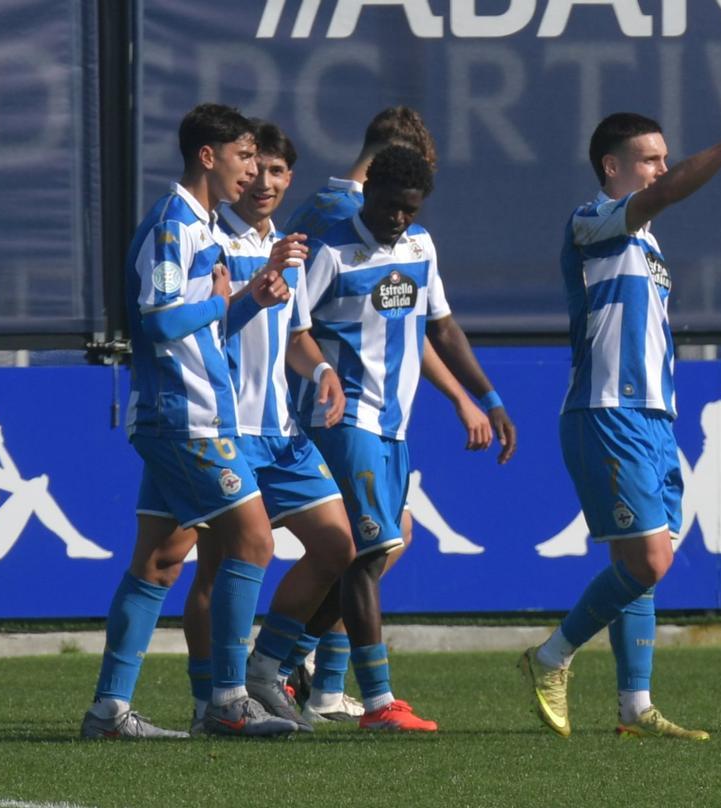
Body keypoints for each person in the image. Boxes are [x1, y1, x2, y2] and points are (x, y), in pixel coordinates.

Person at [520, 102, 721, 740]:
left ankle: (633, 708)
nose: (661, 169)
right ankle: (549, 657)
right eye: (649, 159)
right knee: (648, 561)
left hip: (651, 417)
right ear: (611, 166)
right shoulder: (593, 220)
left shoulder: (647, 244)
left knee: (644, 558)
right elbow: (670, 193)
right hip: (606, 411)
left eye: (664, 158)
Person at [81, 104, 298, 739]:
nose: (253, 170)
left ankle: (108, 710)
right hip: (186, 418)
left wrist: (247, 300)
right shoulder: (174, 225)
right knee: (253, 541)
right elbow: (157, 320)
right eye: (243, 156)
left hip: (194, 412)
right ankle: (228, 701)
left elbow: (200, 327)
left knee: (158, 563)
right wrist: (221, 297)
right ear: (208, 156)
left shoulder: (201, 228)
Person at [281, 107, 499, 724]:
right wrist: (322, 375)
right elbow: (292, 326)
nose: (401, 216)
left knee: (377, 548)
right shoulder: (329, 223)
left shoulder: (416, 243)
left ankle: (311, 678)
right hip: (342, 415)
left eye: (414, 203)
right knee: (362, 552)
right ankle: (357, 691)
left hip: (393, 422)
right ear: (375, 177)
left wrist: (473, 395)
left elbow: (424, 324)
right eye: (396, 199)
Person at [178, 120, 356, 734]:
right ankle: (213, 699)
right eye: (255, 167)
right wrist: (257, 285)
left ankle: (264, 668)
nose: (264, 180)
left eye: (278, 171)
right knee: (214, 564)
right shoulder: (209, 240)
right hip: (224, 429)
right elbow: (201, 328)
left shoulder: (289, 246)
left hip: (281, 432)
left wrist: (324, 370)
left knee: (338, 546)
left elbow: (296, 337)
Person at [0, 408, 111, 564]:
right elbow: (19, 485)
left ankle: (75, 542)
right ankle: (75, 542)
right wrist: (37, 486)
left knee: (33, 490)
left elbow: (14, 479)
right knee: (34, 491)